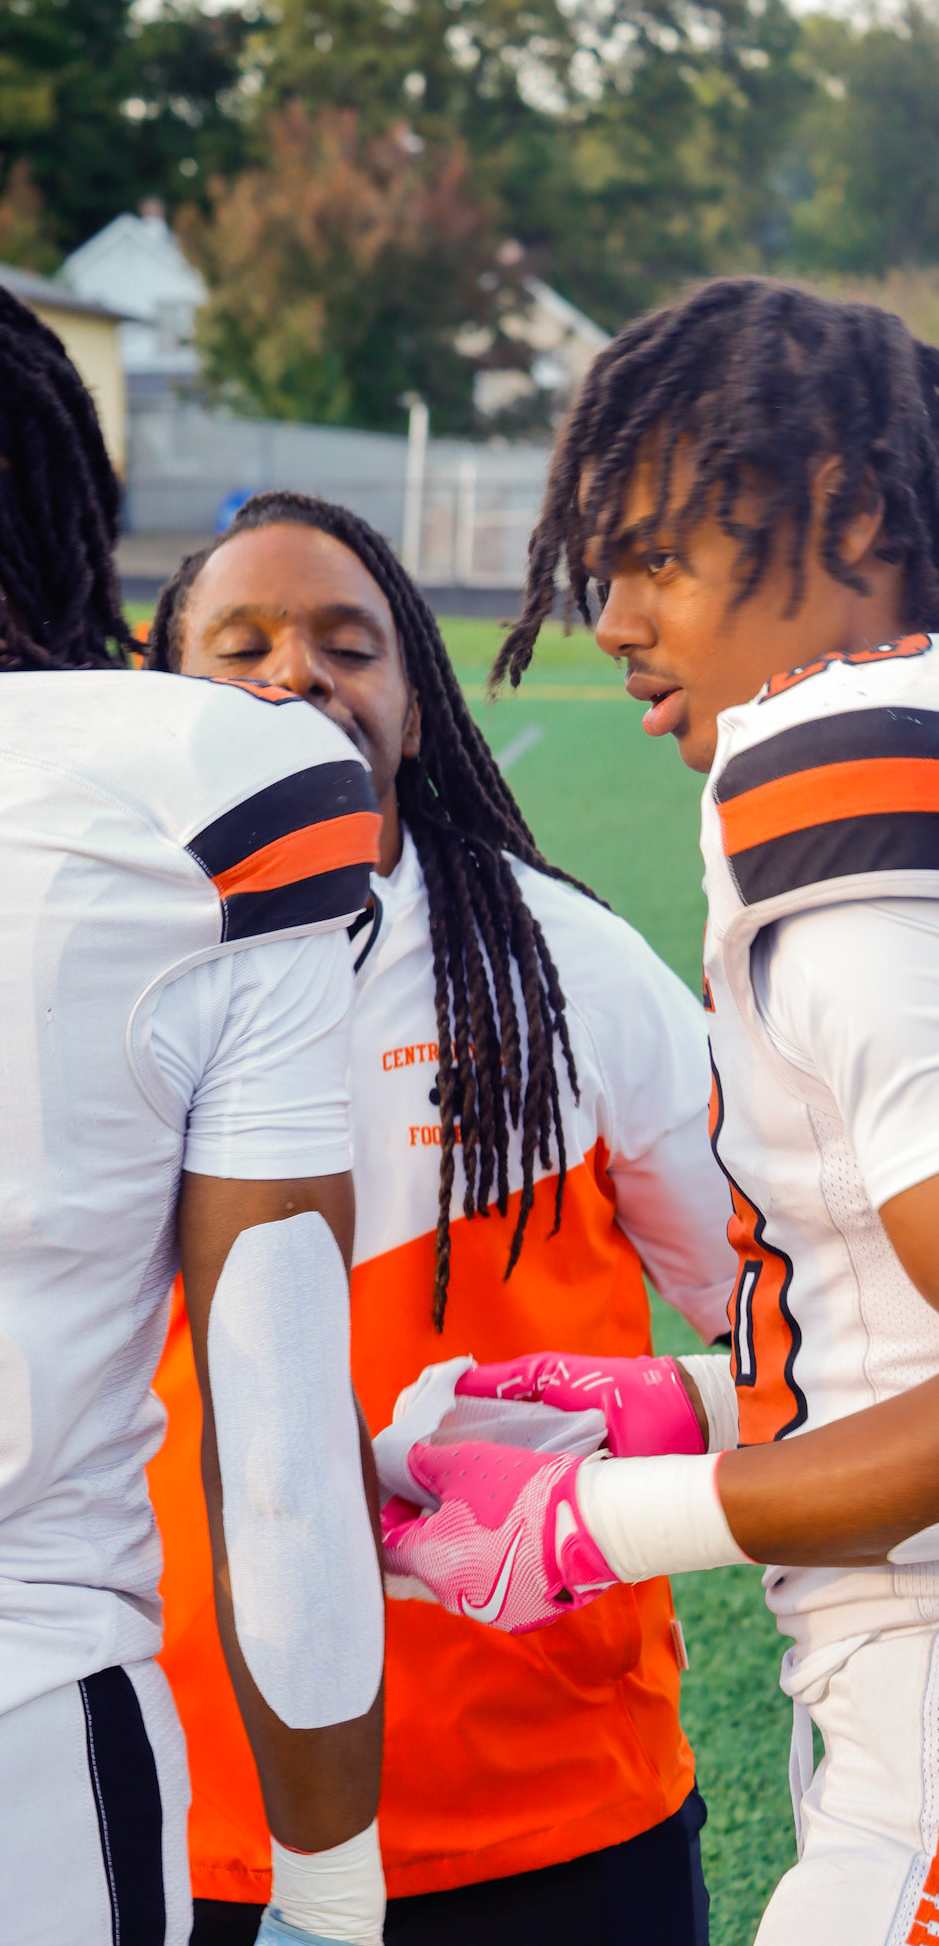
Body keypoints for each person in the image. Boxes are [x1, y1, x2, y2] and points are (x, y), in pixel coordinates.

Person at [0, 260, 386, 1946]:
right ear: (56, 497)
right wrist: (328, 1887)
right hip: (5, 1739)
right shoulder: (196, 781)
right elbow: (277, 1437)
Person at [384, 278, 939, 1945]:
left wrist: (600, 1521)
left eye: (656, 559)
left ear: (849, 511)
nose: (613, 617)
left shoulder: (837, 826)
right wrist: (693, 1399)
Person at [145, 489, 736, 1945]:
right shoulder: (89, 982)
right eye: (241, 647)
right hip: (191, 1813)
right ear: (156, 705)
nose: (297, 675)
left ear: (414, 711)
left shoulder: (563, 965)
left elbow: (787, 1298)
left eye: (350, 646)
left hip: (555, 1797)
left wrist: (655, 1451)